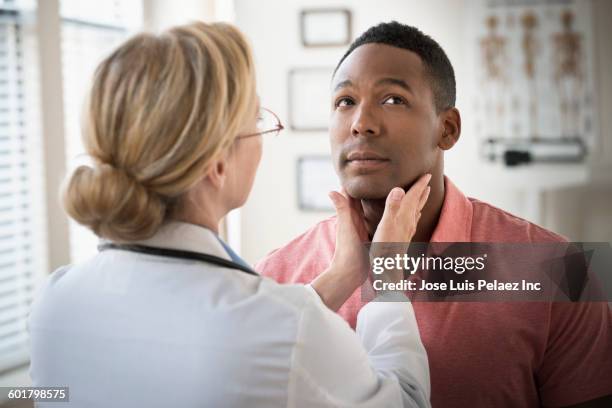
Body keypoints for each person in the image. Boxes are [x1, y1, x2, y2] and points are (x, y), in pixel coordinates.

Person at [27, 22, 433, 407]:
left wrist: (341, 277)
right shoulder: (285, 326)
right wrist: (388, 279)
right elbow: (408, 399)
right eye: (256, 121)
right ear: (217, 164)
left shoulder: (55, 301)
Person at [257, 22, 612, 408]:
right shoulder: (274, 279)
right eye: (345, 101)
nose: (361, 123)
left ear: (447, 129)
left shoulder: (559, 269)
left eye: (392, 99)